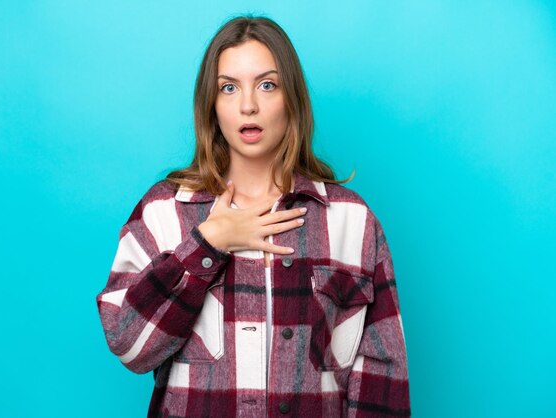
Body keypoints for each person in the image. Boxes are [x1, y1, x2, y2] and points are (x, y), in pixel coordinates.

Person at [96, 15, 410, 417]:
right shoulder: (163, 212)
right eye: (229, 88)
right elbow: (128, 346)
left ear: (290, 98)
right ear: (212, 104)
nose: (248, 105)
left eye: (267, 84)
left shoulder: (352, 220)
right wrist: (207, 246)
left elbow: (382, 381)